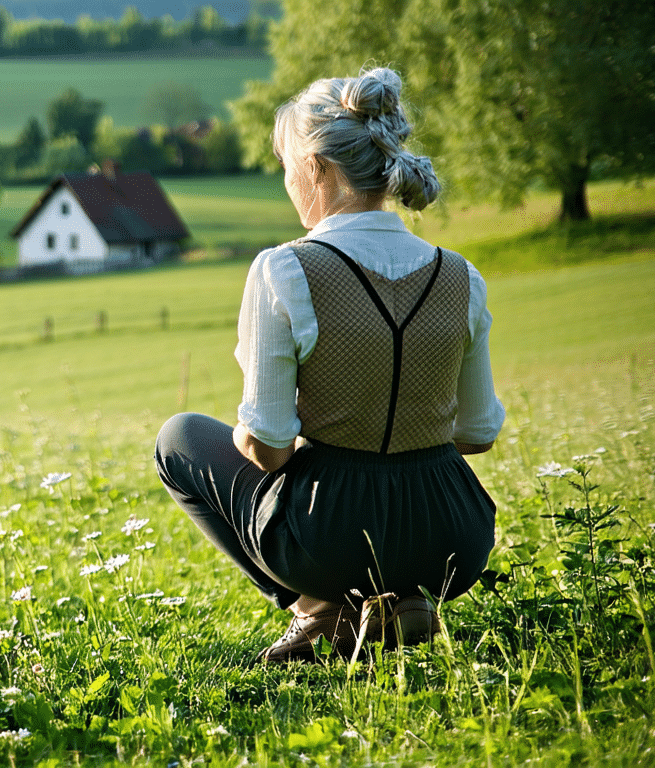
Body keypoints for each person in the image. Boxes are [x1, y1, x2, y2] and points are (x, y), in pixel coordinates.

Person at [154, 67, 504, 663]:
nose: (287, 181)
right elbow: (477, 435)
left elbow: (268, 448)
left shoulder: (285, 270)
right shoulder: (460, 275)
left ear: (316, 168)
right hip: (453, 541)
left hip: (330, 541)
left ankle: (320, 609)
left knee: (179, 438)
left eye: (287, 166)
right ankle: (403, 600)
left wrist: (271, 440)